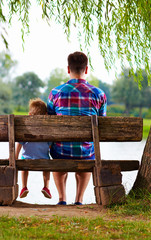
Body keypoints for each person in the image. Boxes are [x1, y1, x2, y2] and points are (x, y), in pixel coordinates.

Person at [47, 51, 107, 205]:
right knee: (88, 148)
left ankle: (62, 198)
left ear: (68, 69)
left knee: (57, 149)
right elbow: (102, 123)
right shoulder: (99, 94)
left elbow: (49, 121)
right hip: (86, 151)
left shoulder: (55, 93)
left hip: (61, 151)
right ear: (86, 69)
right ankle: (79, 200)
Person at [15, 98, 52, 199]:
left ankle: (24, 187)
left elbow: (19, 144)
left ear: (30, 114)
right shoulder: (48, 130)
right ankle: (46, 187)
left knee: (24, 168)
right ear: (46, 115)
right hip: (44, 160)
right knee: (46, 169)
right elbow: (50, 145)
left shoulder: (26, 128)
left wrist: (15, 157)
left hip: (26, 159)